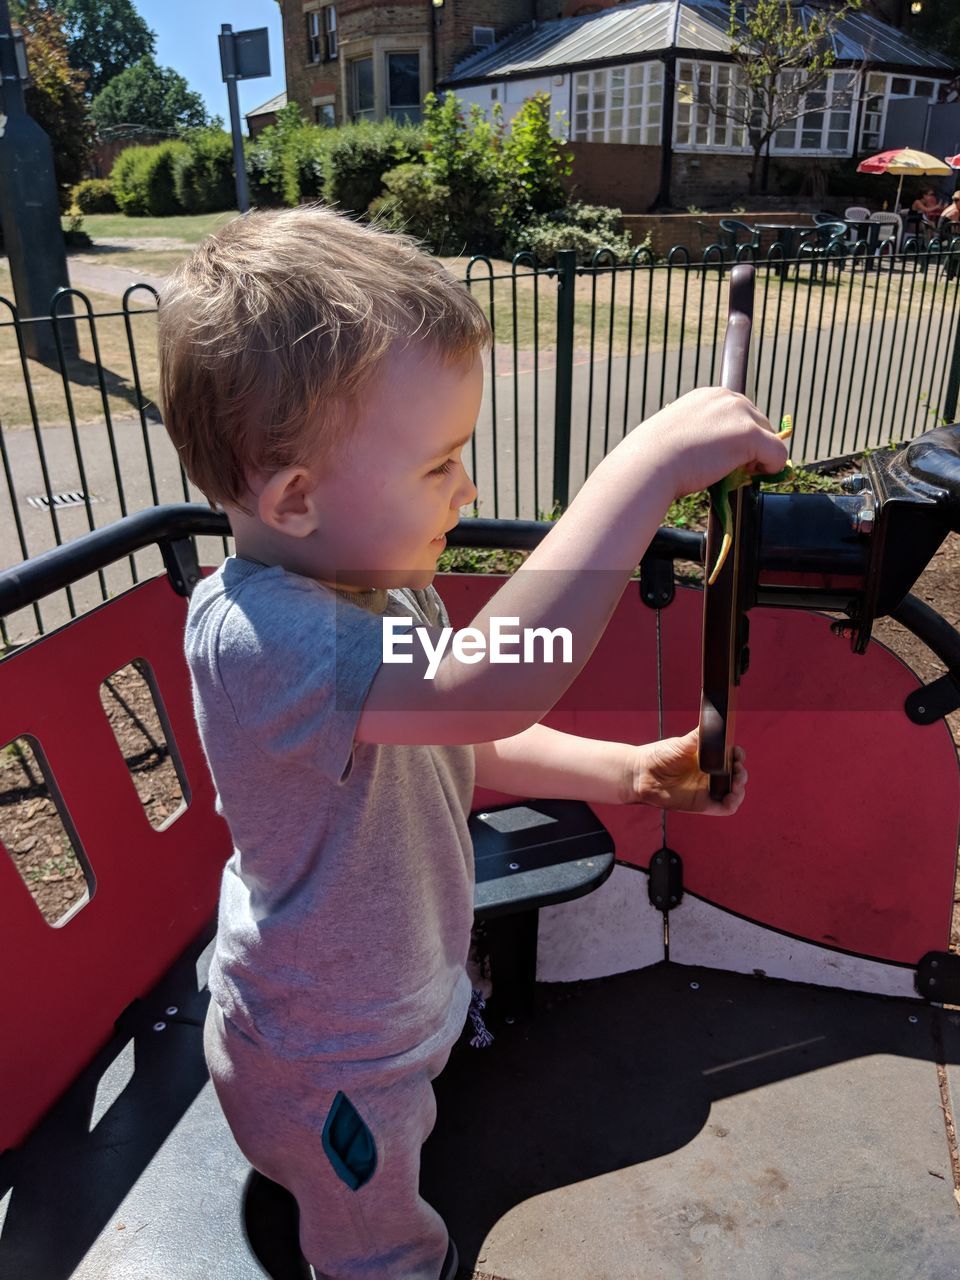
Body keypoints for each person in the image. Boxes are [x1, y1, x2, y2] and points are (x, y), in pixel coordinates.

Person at [157, 205, 788, 1280]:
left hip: (385, 1009)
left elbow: (464, 737)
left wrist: (629, 770)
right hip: (326, 1061)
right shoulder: (262, 635)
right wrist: (641, 470)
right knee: (377, 1242)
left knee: (393, 1142)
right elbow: (491, 683)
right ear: (296, 496)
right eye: (441, 463)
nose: (469, 489)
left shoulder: (379, 596)